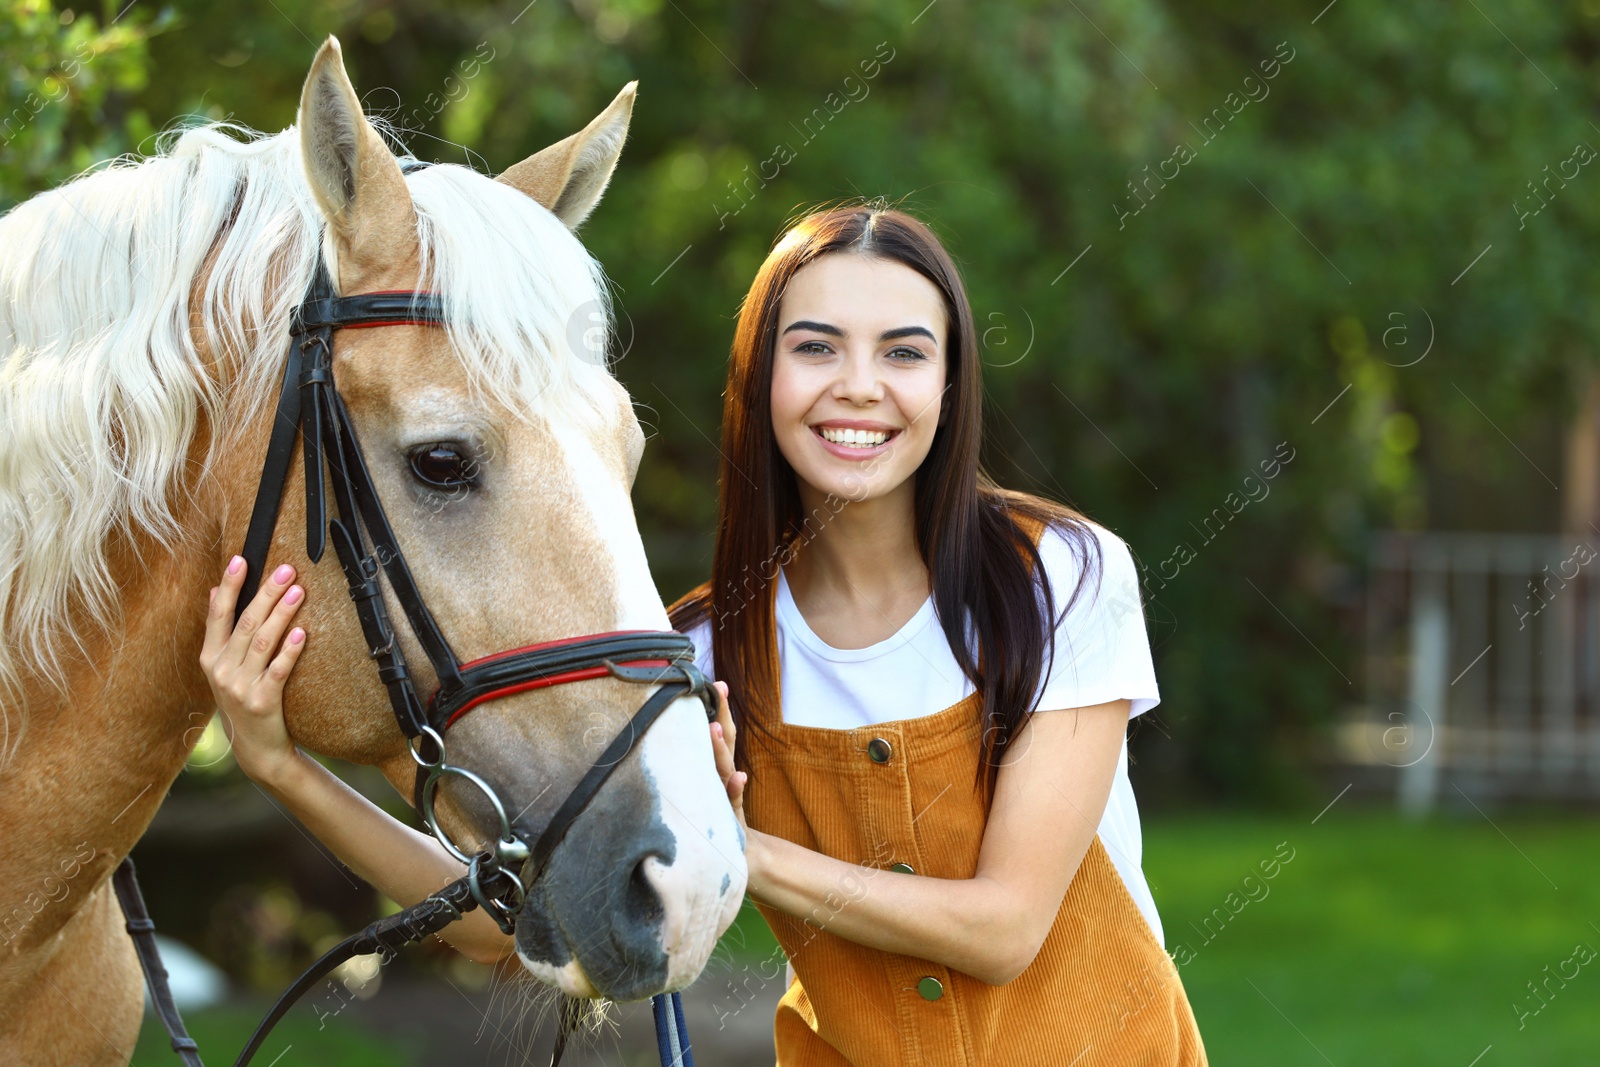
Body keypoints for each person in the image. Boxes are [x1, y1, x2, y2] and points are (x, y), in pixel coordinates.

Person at [203, 200, 1206, 1064]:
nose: (859, 384)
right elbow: (502, 925)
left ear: (950, 387)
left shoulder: (1056, 575)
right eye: (815, 346)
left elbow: (1005, 925)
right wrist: (283, 766)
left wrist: (734, 846)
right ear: (761, 375)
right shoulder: (704, 650)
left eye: (904, 351)